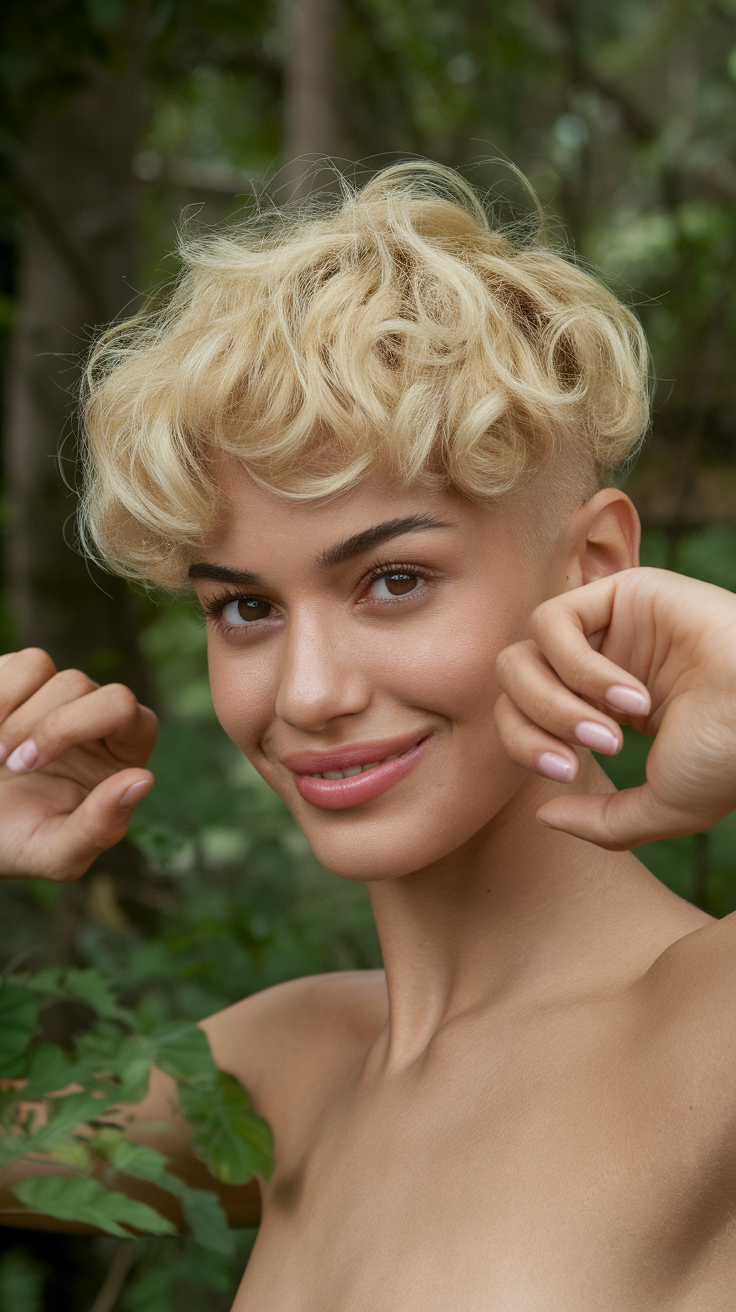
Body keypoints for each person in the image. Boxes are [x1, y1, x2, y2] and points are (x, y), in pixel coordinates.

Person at [2, 161, 736, 1309]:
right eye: (244, 606)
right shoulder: (289, 1062)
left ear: (593, 564)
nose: (305, 692)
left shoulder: (712, 1023)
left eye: (393, 579)